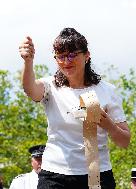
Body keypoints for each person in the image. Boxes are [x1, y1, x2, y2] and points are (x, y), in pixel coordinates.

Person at [19, 27, 131, 189]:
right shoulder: (50, 86)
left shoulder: (107, 91)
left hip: (96, 174)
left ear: (87, 55)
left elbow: (124, 141)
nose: (66, 61)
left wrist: (108, 125)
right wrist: (28, 62)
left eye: (72, 55)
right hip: (55, 173)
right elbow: (30, 90)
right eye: (61, 56)